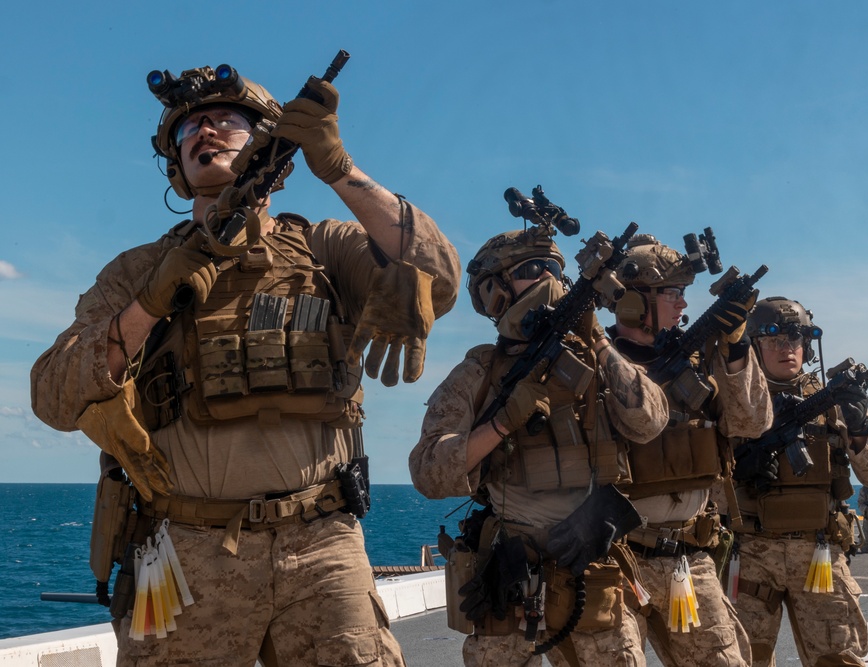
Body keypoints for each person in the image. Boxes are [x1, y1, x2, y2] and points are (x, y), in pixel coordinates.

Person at [30, 63, 460, 666]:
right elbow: (52, 394)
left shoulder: (324, 248)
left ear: (267, 143)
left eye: (226, 120)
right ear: (176, 165)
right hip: (188, 549)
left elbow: (436, 277)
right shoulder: (135, 271)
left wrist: (340, 170)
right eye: (190, 128)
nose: (206, 132)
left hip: (324, 544)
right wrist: (149, 305)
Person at [409, 225, 669, 666]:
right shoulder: (479, 373)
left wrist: (601, 342)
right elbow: (429, 474)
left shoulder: (594, 357)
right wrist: (501, 424)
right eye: (533, 269)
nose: (549, 280)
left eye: (554, 268)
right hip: (511, 564)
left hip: (592, 558)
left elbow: (650, 421)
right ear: (494, 293)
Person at [602, 234, 772, 666]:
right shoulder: (592, 360)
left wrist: (735, 348)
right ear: (632, 301)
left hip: (688, 556)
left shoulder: (702, 360)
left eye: (684, 294)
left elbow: (752, 422)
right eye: (672, 293)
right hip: (615, 558)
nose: (682, 305)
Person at [730, 296, 868, 667]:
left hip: (819, 555)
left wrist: (859, 427)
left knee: (838, 659)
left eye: (796, 340)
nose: (787, 349)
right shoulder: (734, 403)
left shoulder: (831, 403)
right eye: (775, 341)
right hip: (753, 553)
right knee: (744, 660)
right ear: (755, 345)